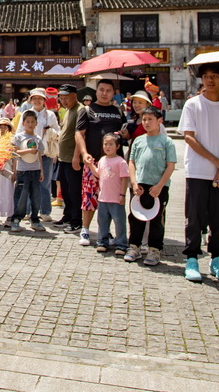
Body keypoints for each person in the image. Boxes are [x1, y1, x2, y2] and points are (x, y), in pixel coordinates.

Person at [179, 62, 219, 282]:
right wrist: (215, 161)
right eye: (206, 76)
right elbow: (189, 137)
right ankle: (192, 258)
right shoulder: (192, 105)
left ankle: (217, 258)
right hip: (197, 170)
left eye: (214, 76)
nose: (210, 80)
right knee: (194, 217)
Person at [74, 79, 125, 246]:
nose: (104, 93)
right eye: (101, 89)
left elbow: (125, 135)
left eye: (108, 90)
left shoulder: (118, 111)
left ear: (113, 93)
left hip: (115, 163)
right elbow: (79, 134)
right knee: (89, 196)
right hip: (93, 162)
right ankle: (86, 230)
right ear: (96, 92)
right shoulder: (88, 110)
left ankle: (106, 232)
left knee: (111, 199)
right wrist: (83, 154)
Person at [126, 107, 176, 266]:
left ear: (159, 121)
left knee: (157, 219)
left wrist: (160, 185)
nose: (146, 123)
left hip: (158, 188)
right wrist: (133, 182)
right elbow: (132, 162)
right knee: (135, 217)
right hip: (139, 186)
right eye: (144, 119)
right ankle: (134, 247)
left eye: (150, 119)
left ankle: (155, 250)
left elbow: (170, 166)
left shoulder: (167, 142)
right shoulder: (138, 140)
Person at [13, 88, 59, 221]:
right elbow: (19, 131)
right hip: (28, 154)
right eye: (34, 98)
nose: (37, 101)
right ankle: (27, 211)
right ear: (31, 100)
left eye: (40, 98)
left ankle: (45, 211)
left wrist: (50, 131)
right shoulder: (26, 114)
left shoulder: (49, 115)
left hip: (45, 152)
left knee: (44, 183)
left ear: (44, 100)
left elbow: (58, 130)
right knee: (27, 182)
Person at [88, 133, 128, 255]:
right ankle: (102, 242)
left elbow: (124, 179)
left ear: (117, 146)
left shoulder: (120, 162)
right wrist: (90, 165)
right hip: (103, 198)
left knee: (119, 222)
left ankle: (121, 244)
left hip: (116, 199)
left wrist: (122, 195)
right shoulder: (102, 160)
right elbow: (98, 174)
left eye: (111, 144)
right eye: (105, 144)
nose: (107, 147)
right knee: (102, 222)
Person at [8, 110, 46, 232]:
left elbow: (39, 154)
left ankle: (35, 219)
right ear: (23, 123)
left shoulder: (38, 138)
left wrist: (41, 171)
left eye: (32, 122)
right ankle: (16, 219)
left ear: (36, 123)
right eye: (27, 122)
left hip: (35, 170)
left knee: (36, 196)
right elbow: (15, 153)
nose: (30, 124)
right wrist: (14, 171)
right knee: (21, 196)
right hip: (22, 171)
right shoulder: (18, 137)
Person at [54, 84, 84, 232]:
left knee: (74, 190)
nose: (64, 101)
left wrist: (76, 156)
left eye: (66, 97)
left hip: (73, 158)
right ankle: (68, 215)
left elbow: (81, 135)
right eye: (61, 98)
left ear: (74, 95)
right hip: (63, 158)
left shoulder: (80, 110)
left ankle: (77, 220)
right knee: (65, 190)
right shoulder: (67, 111)